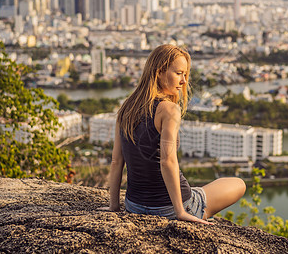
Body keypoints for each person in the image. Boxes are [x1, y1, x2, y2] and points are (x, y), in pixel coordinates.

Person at [102, 44, 245, 224]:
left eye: (185, 74)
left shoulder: (126, 107)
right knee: (239, 184)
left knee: (200, 190)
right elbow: (167, 161)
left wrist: (114, 206)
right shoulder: (169, 109)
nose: (184, 81)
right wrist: (180, 211)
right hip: (170, 207)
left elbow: (116, 161)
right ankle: (186, 203)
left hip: (134, 205)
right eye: (179, 73)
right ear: (159, 72)